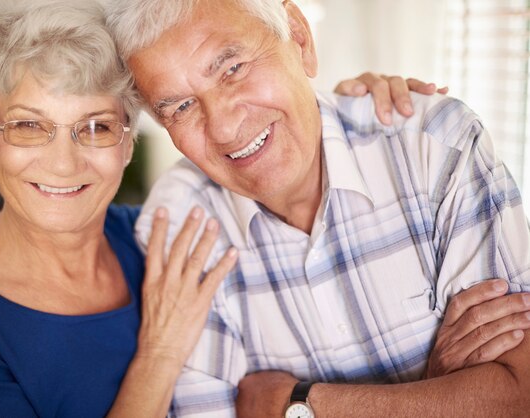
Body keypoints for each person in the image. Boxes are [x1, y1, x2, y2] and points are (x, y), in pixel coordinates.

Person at [108, 0, 530, 416]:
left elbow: (519, 395)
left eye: (232, 69)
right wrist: (437, 391)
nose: (222, 126)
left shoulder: (435, 145)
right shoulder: (181, 219)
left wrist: (287, 404)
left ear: (299, 37)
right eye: (180, 107)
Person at [0, 1, 241, 417]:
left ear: (129, 142)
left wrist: (341, 113)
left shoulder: (159, 238)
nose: (63, 163)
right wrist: (160, 354)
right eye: (29, 125)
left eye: (96, 126)